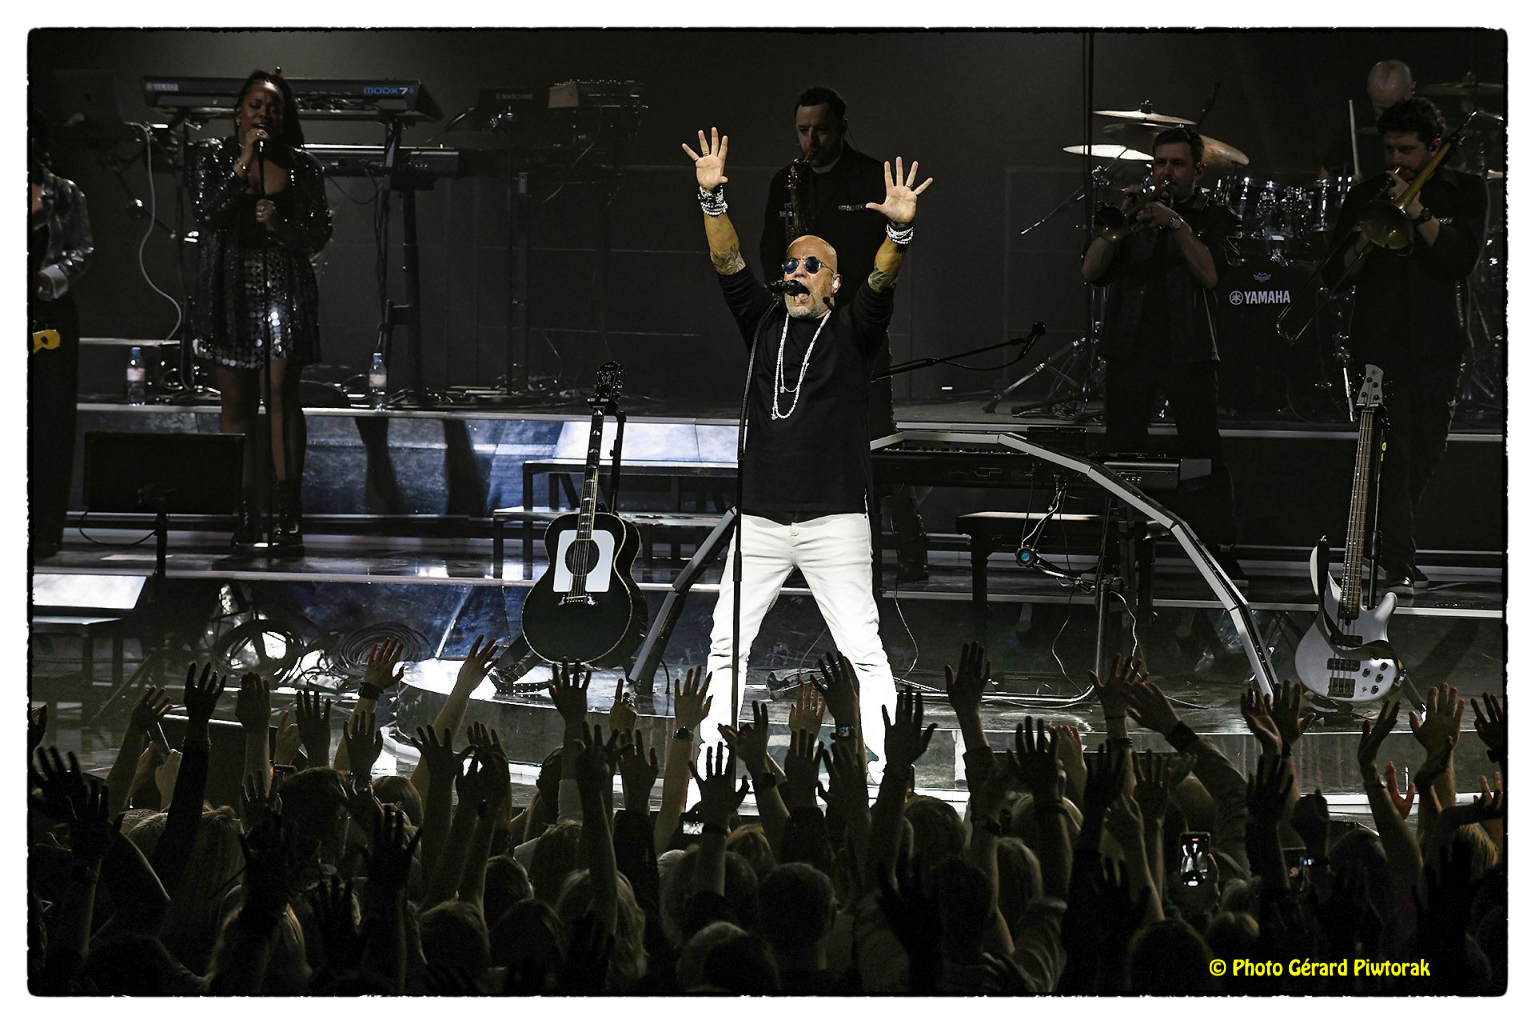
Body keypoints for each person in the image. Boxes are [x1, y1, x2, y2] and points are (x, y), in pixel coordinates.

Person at [681, 125, 932, 774]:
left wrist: (898, 232)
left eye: (811, 266)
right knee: (725, 645)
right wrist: (712, 199)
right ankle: (712, 761)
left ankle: (889, 766)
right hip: (760, 519)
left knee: (862, 649)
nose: (796, 272)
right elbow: (728, 263)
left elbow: (882, 277)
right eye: (791, 264)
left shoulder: (853, 328)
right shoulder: (763, 322)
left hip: (834, 520)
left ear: (834, 283)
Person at [759, 86, 928, 581]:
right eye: (803, 130)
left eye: (821, 129)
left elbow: (885, 258)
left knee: (876, 433)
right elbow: (770, 249)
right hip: (799, 330)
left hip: (855, 326)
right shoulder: (786, 181)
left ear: (842, 128)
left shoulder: (872, 176)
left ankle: (908, 543)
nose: (811, 140)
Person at [1329, 97, 1486, 592]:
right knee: (1391, 455)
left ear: (1434, 147)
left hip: (1438, 342)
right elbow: (1334, 273)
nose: (1396, 160)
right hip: (1379, 342)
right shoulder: (1367, 193)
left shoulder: (1468, 191)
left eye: (1407, 150)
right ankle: (1396, 558)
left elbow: (1461, 260)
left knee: (1426, 452)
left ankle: (1384, 544)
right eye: (1389, 149)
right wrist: (1366, 232)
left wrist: (1417, 212)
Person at [1080, 127, 1243, 582]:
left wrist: (1174, 223)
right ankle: (1116, 553)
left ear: (1198, 171)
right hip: (1130, 347)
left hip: (1189, 348)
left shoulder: (1216, 216)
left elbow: (1211, 275)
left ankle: (1219, 551)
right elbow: (1090, 270)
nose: (1166, 173)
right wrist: (1122, 221)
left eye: (1177, 164)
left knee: (1203, 451)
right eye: (1160, 163)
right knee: (1121, 449)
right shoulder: (1133, 217)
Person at [191, 69, 332, 554]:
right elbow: (207, 213)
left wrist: (279, 225)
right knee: (235, 403)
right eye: (256, 105)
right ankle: (246, 515)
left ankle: (289, 515)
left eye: (273, 107)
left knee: (280, 395)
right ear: (238, 113)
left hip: (283, 288)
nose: (264, 113)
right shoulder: (213, 158)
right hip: (230, 292)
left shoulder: (304, 167)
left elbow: (317, 234)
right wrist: (244, 164)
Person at [28, 110, 93, 561]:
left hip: (48, 310)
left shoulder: (65, 192)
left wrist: (47, 279)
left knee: (50, 419)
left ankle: (45, 529)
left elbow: (82, 248)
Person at [1320, 59, 1416, 181]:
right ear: (1370, 93)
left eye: (1395, 107)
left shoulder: (1427, 125)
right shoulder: (1357, 123)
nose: (1388, 117)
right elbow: (1326, 174)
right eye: (1382, 109)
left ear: (1411, 90)